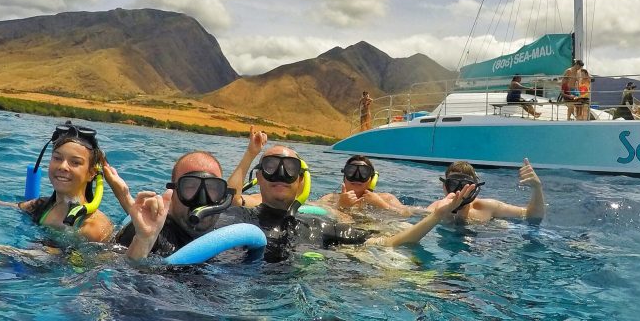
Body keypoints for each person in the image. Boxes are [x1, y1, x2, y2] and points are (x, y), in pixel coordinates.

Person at [130, 144, 474, 263]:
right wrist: (144, 234)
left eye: (289, 168)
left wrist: (435, 218)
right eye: (269, 167)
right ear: (259, 178)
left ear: (300, 182)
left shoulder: (320, 225)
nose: (279, 173)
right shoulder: (230, 218)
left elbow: (389, 241)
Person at [112, 126, 267, 260]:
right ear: (172, 193)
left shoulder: (230, 227)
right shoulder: (148, 233)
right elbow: (112, 278)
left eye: (212, 188)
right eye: (190, 187)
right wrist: (142, 243)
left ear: (222, 196)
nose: (202, 199)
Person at [0, 121, 114, 242]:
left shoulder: (94, 227)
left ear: (92, 173)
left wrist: (35, 256)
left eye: (75, 162)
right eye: (57, 158)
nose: (63, 166)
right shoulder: (40, 206)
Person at [425, 159, 545, 224]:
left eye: (465, 186)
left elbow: (532, 215)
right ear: (444, 186)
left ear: (475, 188)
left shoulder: (486, 207)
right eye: (453, 185)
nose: (459, 192)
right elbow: (411, 213)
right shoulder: (436, 209)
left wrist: (537, 188)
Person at [314, 155, 413, 216]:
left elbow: (406, 213)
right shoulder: (331, 199)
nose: (357, 177)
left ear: (372, 178)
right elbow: (308, 209)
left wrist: (381, 204)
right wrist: (340, 205)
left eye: (363, 173)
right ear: (344, 176)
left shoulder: (385, 198)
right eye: (351, 172)